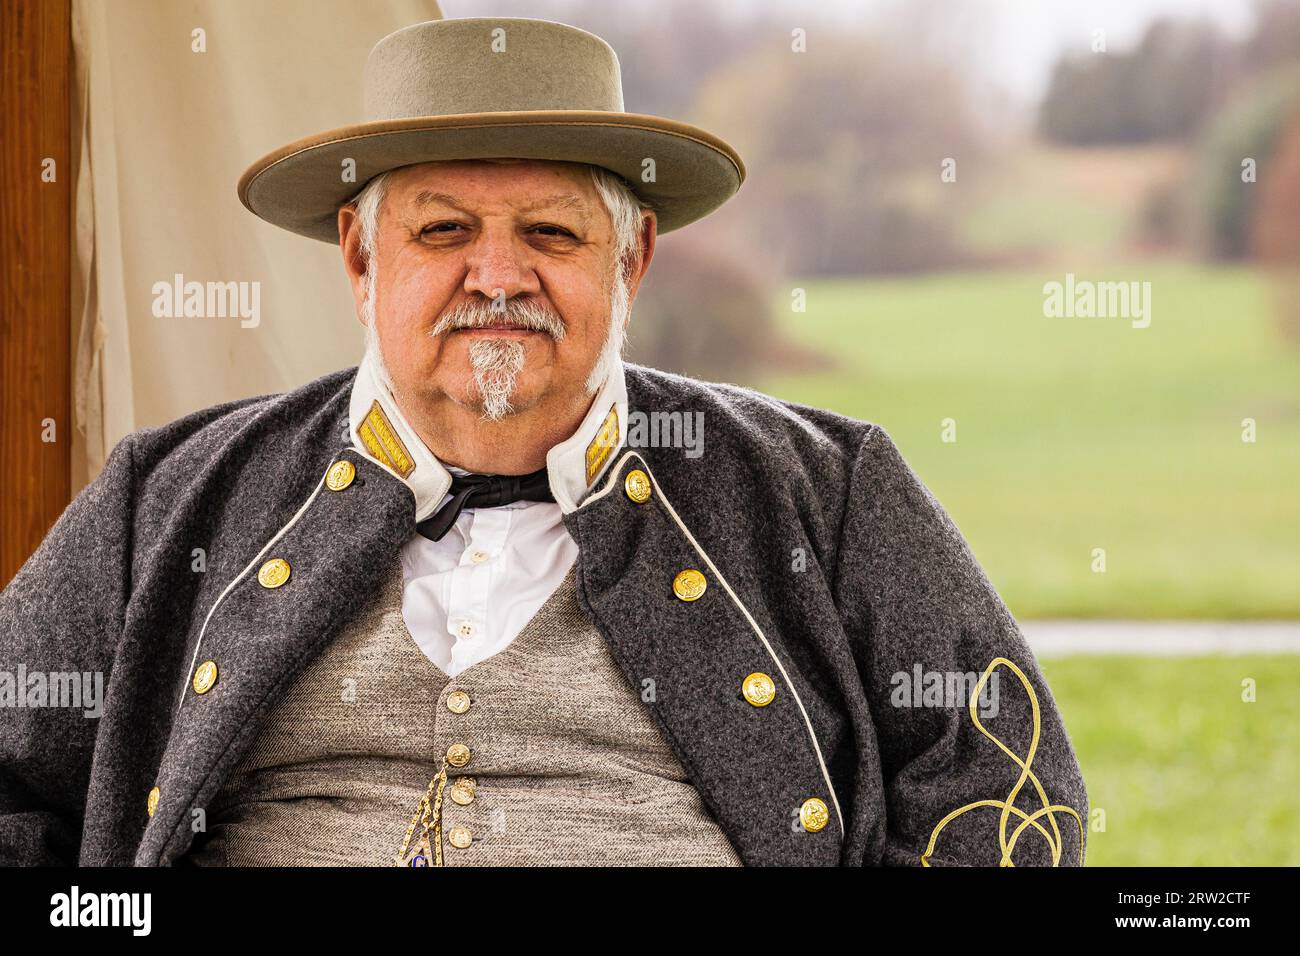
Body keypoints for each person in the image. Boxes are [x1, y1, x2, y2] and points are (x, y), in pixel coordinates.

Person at [0, 15, 1086, 867]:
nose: (500, 275)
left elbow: (1001, 782)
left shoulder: (830, 492)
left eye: (552, 232)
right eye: (442, 230)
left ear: (633, 258)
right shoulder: (168, 499)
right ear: (359, 255)